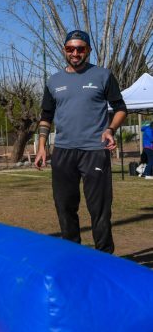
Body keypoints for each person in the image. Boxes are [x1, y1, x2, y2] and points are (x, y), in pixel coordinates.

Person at [34, 30, 127, 253]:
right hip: (63, 152)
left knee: (99, 210)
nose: (75, 53)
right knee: (65, 208)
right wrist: (41, 147)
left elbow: (121, 109)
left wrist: (110, 129)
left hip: (95, 150)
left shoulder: (103, 75)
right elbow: (46, 117)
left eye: (80, 49)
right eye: (70, 49)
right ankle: (73, 257)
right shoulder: (54, 81)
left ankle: (104, 259)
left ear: (88, 50)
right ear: (64, 50)